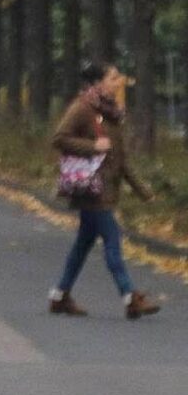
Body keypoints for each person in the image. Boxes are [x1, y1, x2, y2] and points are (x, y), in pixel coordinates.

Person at [47, 62, 164, 319]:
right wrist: (92, 146)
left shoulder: (111, 113)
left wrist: (142, 190)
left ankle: (59, 295)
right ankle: (130, 296)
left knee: (83, 244)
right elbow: (59, 138)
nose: (117, 82)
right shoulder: (82, 108)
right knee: (112, 240)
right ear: (97, 83)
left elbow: (119, 159)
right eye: (112, 78)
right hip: (90, 188)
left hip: (106, 188)